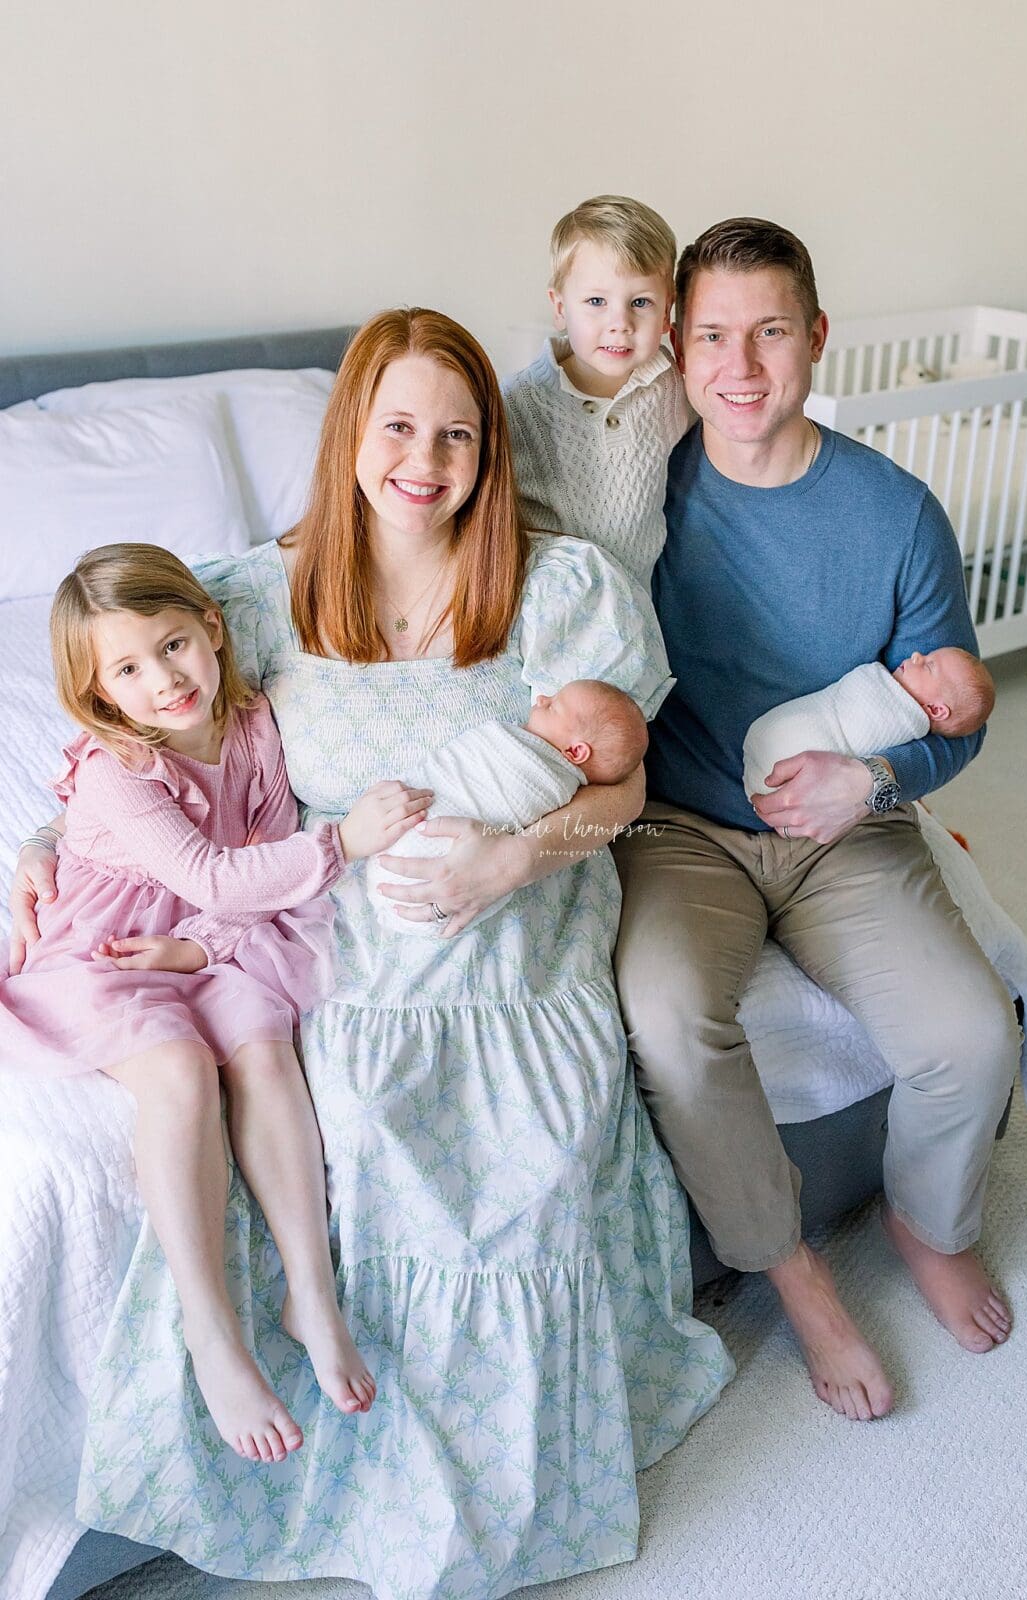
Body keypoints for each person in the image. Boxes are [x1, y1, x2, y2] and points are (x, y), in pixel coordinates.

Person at [11, 311, 731, 1597]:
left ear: (488, 453)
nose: (426, 457)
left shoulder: (561, 590)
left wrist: (507, 862)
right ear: (352, 434)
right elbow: (132, 737)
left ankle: (503, 1483)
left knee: (523, 1156)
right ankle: (338, 1421)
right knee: (338, 1119)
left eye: (457, 432)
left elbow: (619, 794)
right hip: (327, 954)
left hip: (516, 952)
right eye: (398, 424)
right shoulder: (247, 599)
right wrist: (34, 850)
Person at [612, 218, 1019, 1425]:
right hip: (679, 829)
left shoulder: (896, 513)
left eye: (771, 332)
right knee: (673, 1022)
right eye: (713, 337)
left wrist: (878, 784)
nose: (742, 369)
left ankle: (927, 1222)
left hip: (851, 822)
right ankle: (789, 1267)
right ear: (677, 351)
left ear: (818, 337)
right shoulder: (642, 498)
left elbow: (962, 709)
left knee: (971, 1033)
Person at [0, 545, 434, 1458]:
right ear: (99, 694)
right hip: (107, 950)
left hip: (211, 932)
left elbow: (249, 876)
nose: (163, 680)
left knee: (263, 1042)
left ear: (212, 626)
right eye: (127, 669)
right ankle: (211, 1332)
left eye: (171, 645)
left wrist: (205, 947)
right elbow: (211, 869)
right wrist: (344, 843)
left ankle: (309, 1288)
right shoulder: (123, 771)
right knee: (179, 1069)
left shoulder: (255, 723)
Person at [503, 193, 692, 588]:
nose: (619, 322)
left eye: (640, 302)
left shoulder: (675, 389)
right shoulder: (519, 403)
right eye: (596, 301)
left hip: (639, 602)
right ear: (560, 307)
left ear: (666, 313)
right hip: (546, 599)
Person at [369, 679, 649, 936]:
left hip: (480, 889)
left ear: (575, 752)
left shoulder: (549, 779)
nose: (540, 698)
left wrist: (511, 863)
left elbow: (628, 796)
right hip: (371, 841)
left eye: (552, 706)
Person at [742, 647, 996, 801]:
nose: (917, 655)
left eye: (929, 665)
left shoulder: (900, 722)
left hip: (786, 763)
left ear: (936, 710)